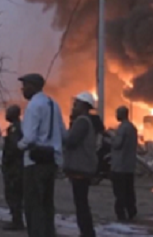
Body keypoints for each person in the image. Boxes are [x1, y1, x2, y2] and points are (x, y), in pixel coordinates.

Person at [17, 73, 65, 237]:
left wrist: (19, 145)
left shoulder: (33, 106)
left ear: (34, 86)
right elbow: (63, 133)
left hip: (34, 163)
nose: (23, 89)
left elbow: (29, 138)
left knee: (33, 206)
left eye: (25, 86)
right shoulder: (54, 104)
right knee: (47, 204)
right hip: (51, 161)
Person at [63, 92, 99, 237]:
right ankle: (86, 232)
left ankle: (87, 232)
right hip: (82, 168)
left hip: (80, 168)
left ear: (84, 106)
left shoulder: (82, 121)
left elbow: (71, 141)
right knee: (81, 202)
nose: (73, 106)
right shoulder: (85, 121)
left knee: (81, 204)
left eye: (76, 104)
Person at [110, 106, 138, 221]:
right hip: (129, 166)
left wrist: (111, 138)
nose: (116, 115)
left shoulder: (122, 128)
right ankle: (131, 211)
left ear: (122, 114)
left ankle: (121, 214)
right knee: (129, 190)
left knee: (119, 191)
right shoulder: (132, 127)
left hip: (119, 166)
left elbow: (117, 144)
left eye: (117, 113)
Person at [1, 105, 25, 231]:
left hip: (14, 167)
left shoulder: (15, 129)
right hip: (16, 166)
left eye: (8, 112)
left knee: (13, 194)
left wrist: (7, 161)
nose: (6, 114)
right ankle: (17, 219)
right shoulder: (18, 127)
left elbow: (13, 148)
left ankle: (17, 221)